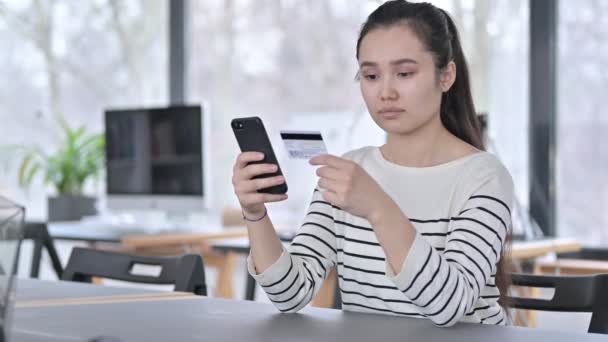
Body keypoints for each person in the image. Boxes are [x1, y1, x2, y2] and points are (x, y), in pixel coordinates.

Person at [231, 0, 513, 327]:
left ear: (446, 75)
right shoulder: (350, 173)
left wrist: (378, 207)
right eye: (371, 75)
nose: (385, 92)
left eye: (404, 73)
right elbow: (289, 293)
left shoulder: (484, 177)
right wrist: (254, 214)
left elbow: (449, 305)